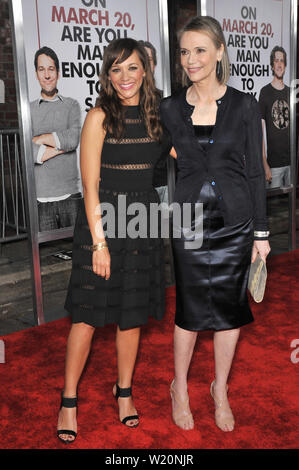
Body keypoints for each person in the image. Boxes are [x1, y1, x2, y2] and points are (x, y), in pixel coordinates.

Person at [160, 16, 271, 432]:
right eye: (185, 52)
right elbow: (156, 150)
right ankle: (181, 389)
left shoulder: (244, 105)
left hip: (236, 226)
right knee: (188, 312)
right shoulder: (170, 108)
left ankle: (219, 388)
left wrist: (261, 233)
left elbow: (256, 174)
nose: (191, 59)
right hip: (188, 224)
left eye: (200, 50)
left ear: (220, 51)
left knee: (229, 311)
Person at [57, 38, 167, 443]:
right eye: (116, 69)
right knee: (86, 316)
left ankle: (124, 393)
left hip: (143, 222)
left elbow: (189, 153)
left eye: (133, 68)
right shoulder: (99, 117)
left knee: (132, 314)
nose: (125, 77)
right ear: (107, 75)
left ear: (145, 71)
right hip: (101, 225)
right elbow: (90, 186)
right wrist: (100, 243)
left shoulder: (158, 117)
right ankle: (68, 398)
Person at [30, 46, 81, 231]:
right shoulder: (29, 110)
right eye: (42, 69)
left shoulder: (71, 105)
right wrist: (62, 145)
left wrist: (40, 138)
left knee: (79, 253)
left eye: (51, 69)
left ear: (58, 73)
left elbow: (73, 139)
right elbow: (30, 151)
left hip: (70, 194)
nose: (47, 75)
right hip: (41, 198)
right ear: (36, 74)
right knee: (48, 257)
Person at [259, 46, 290, 188]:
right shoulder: (265, 92)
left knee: (292, 207)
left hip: (292, 164)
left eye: (282, 61)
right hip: (273, 165)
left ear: (285, 65)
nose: (279, 64)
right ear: (272, 65)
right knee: (273, 208)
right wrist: (264, 162)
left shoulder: (291, 93)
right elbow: (260, 131)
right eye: (276, 60)